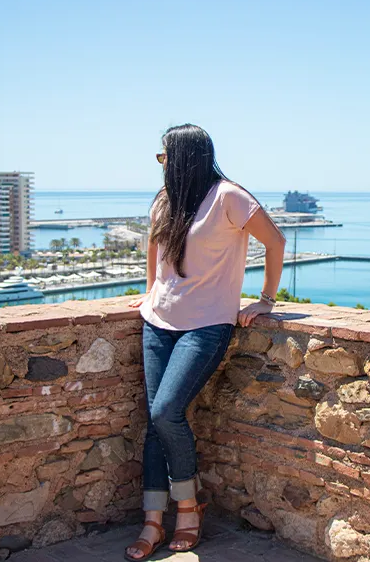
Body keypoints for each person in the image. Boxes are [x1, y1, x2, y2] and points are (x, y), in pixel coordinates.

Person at [124, 124, 286, 560]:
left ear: (184, 159)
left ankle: (189, 511)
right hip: (157, 323)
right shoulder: (165, 201)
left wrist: (266, 300)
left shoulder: (229, 197)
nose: (162, 167)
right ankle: (153, 522)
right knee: (156, 421)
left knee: (166, 412)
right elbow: (154, 253)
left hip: (206, 326)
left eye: (165, 159)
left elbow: (276, 240)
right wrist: (151, 293)